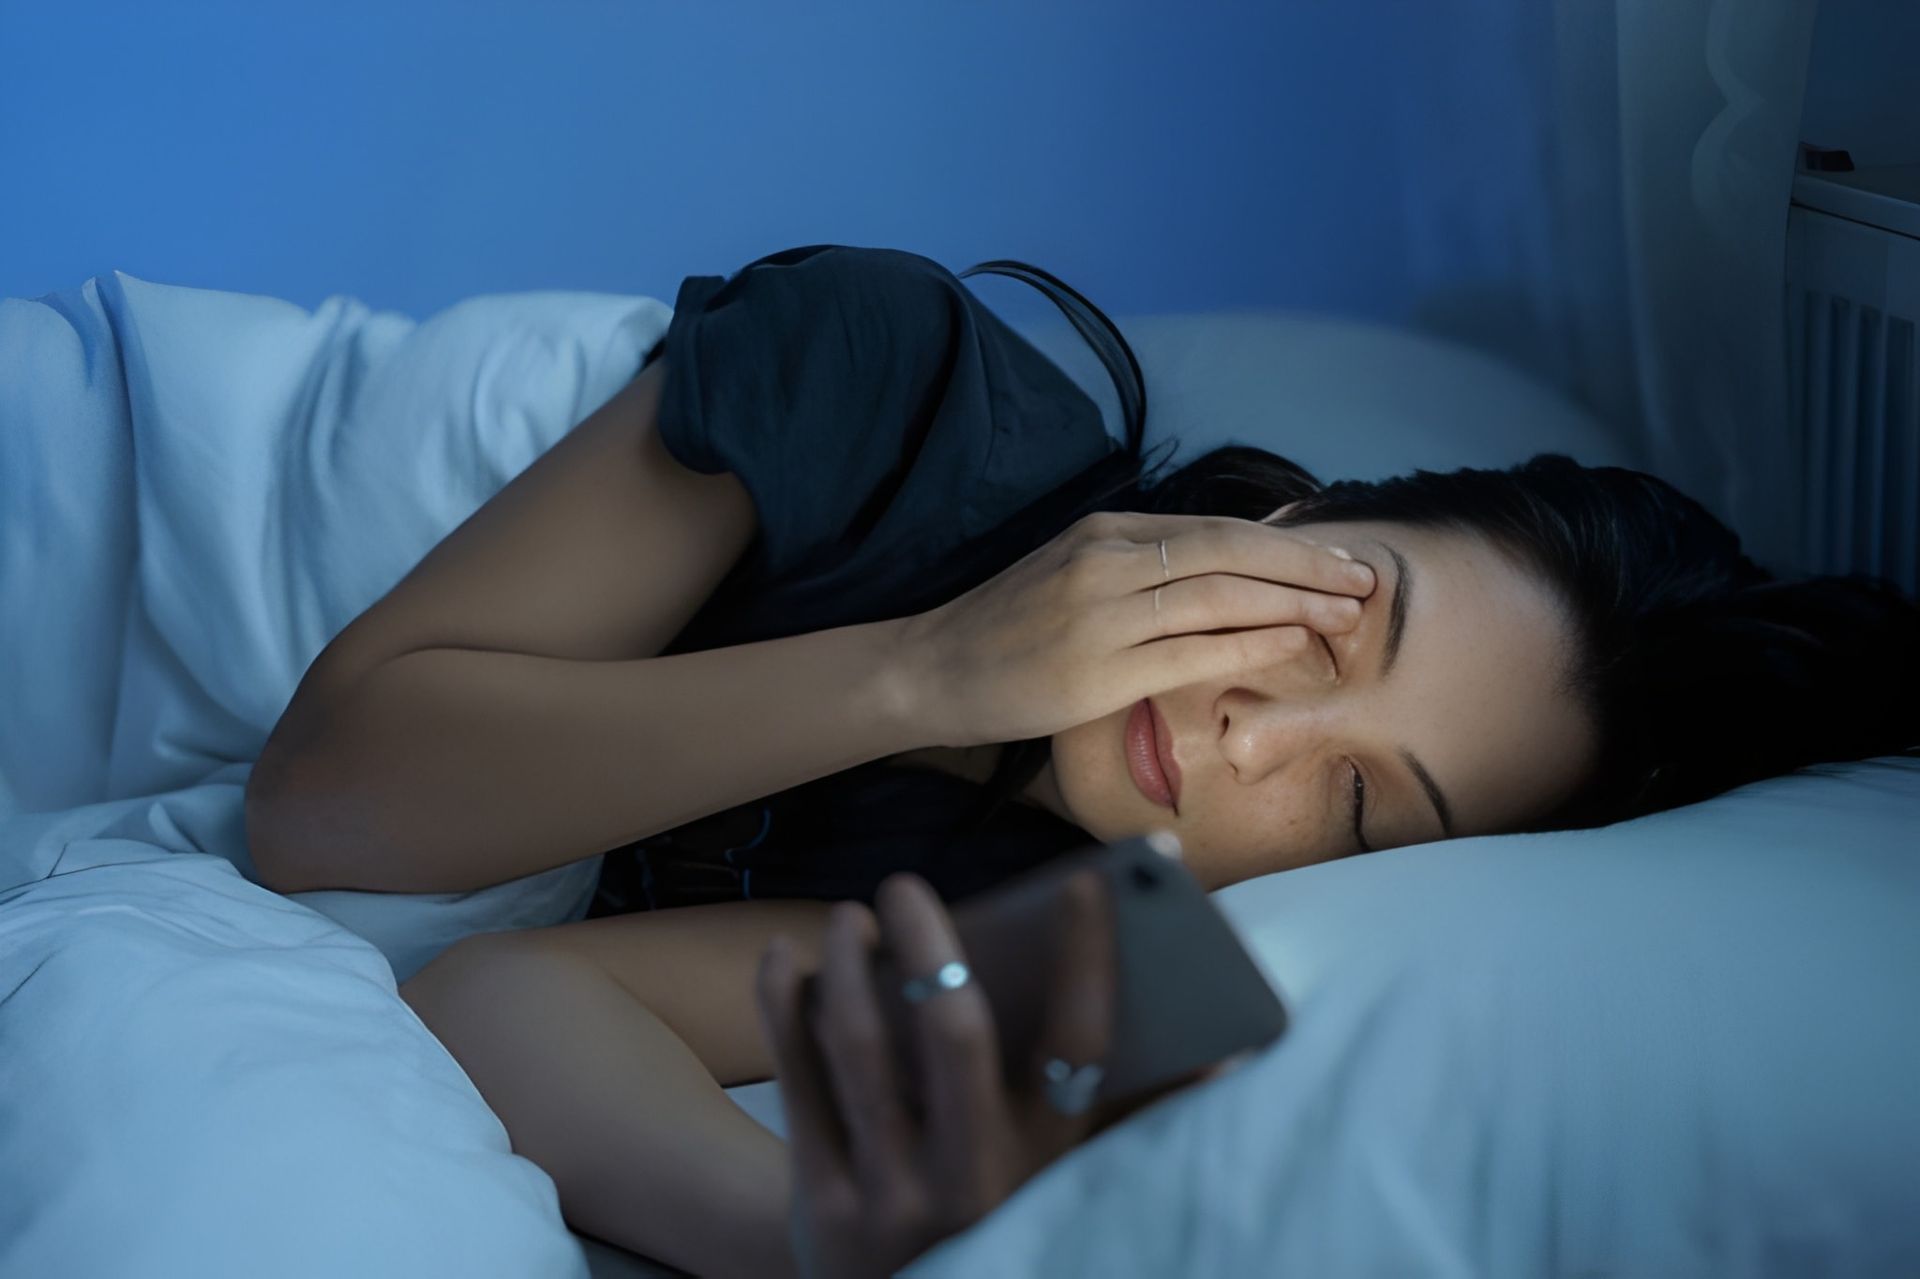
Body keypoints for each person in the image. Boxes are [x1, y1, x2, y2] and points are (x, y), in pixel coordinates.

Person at [243, 245, 1920, 1276]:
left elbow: (507, 997)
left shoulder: (1088, 925)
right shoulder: (894, 380)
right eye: (1329, 634)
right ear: (1297, 515)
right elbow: (322, 799)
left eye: (1352, 807)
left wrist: (800, 1241)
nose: (1257, 735)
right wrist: (919, 671)